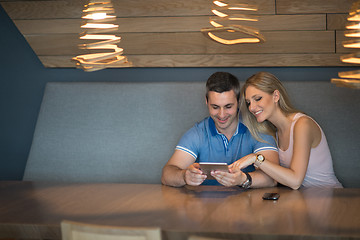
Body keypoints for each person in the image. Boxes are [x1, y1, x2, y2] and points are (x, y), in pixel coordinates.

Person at [161, 72, 279, 187]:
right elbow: (167, 174)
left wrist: (243, 179)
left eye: (228, 106)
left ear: (238, 102)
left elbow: (273, 178)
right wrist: (184, 176)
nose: (222, 115)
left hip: (248, 204)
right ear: (207, 102)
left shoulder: (257, 128)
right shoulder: (198, 132)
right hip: (206, 205)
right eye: (215, 107)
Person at [231, 71, 343, 189]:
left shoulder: (302, 124)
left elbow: (295, 181)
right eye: (249, 103)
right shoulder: (275, 132)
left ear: (276, 96)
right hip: (302, 200)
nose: (252, 108)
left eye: (258, 99)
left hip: (330, 198)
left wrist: (255, 158)